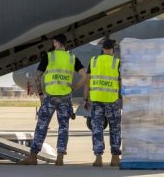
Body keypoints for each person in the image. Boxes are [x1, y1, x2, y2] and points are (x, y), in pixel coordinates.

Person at [19, 34, 86, 166]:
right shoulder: (72, 58)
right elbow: (85, 76)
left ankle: (33, 157)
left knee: (42, 126)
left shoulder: (49, 56)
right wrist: (73, 88)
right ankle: (60, 157)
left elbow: (37, 77)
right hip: (66, 98)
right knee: (63, 127)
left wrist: (40, 94)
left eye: (54, 42)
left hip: (50, 97)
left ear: (57, 43)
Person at [84, 39, 122, 167]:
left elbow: (87, 81)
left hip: (97, 100)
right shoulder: (116, 62)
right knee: (115, 128)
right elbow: (121, 81)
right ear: (112, 49)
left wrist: (85, 98)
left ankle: (98, 158)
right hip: (112, 100)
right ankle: (115, 157)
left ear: (103, 49)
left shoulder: (93, 61)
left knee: (97, 129)